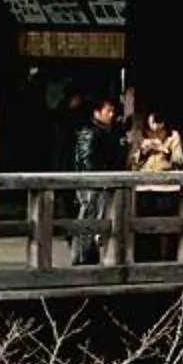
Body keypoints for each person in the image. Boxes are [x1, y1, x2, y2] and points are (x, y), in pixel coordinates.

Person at [72, 93, 128, 264]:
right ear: (97, 112)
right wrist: (97, 178)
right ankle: (82, 257)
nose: (111, 114)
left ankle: (89, 255)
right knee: (89, 216)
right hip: (92, 182)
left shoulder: (107, 132)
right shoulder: (90, 132)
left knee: (98, 218)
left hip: (102, 181)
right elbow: (87, 158)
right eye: (108, 111)